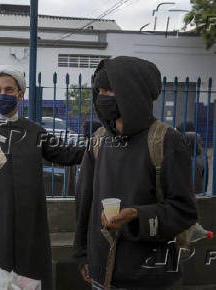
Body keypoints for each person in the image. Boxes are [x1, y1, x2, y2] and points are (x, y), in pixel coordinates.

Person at [0, 65, 85, 289]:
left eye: (9, 90)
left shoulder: (34, 132)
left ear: (20, 95)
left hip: (29, 227)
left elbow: (65, 154)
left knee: (29, 279)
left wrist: (97, 146)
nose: (3, 94)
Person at [73, 56, 198, 289]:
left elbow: (184, 212)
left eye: (109, 91)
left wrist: (136, 216)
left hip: (150, 278)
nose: (101, 98)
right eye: (99, 90)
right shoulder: (99, 141)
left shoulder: (166, 141)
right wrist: (82, 254)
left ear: (132, 94)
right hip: (100, 274)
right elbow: (84, 203)